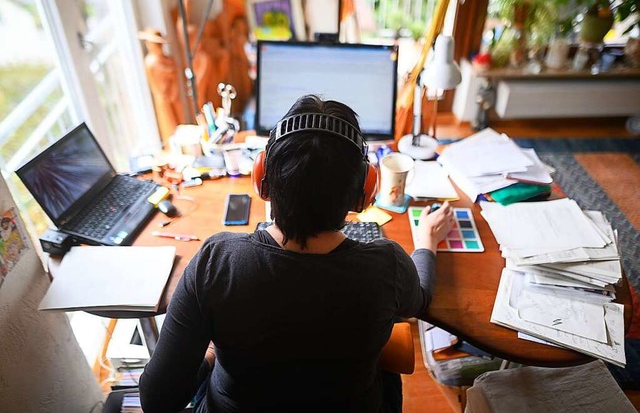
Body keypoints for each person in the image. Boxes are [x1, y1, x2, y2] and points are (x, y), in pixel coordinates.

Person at [139, 94, 454, 412]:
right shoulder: (387, 266)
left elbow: (157, 400)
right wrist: (426, 241)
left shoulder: (216, 262)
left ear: (262, 177)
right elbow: (420, 299)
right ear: (364, 191)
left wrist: (209, 355)